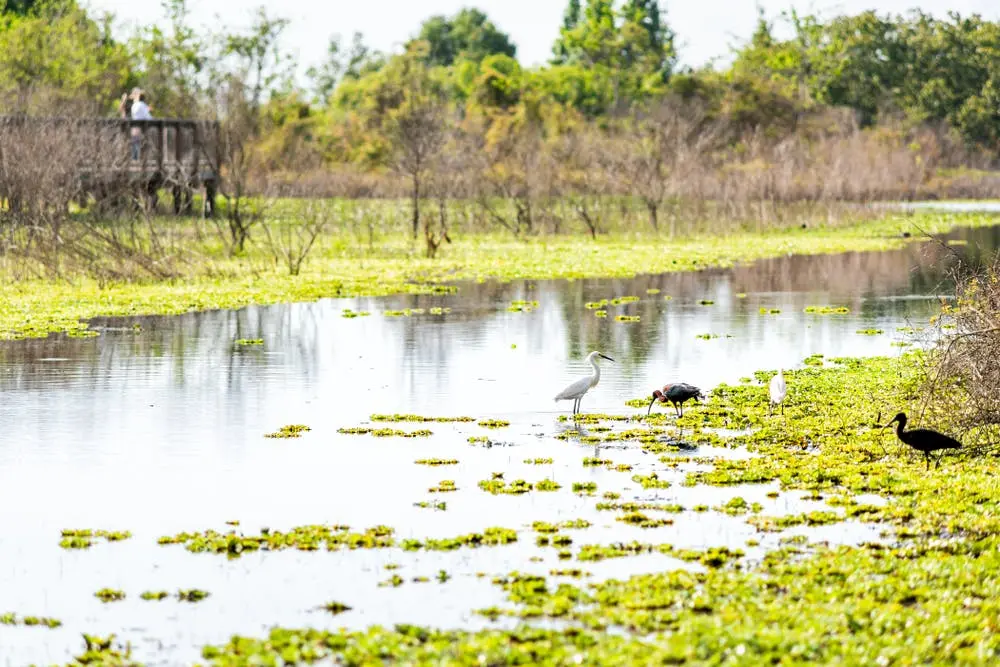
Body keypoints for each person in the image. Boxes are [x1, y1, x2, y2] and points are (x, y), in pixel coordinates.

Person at [127, 89, 153, 160]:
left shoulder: (134, 105)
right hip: (141, 129)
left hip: (134, 129)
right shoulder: (142, 105)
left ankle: (134, 162)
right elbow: (148, 117)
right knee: (141, 147)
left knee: (135, 147)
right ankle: (141, 163)